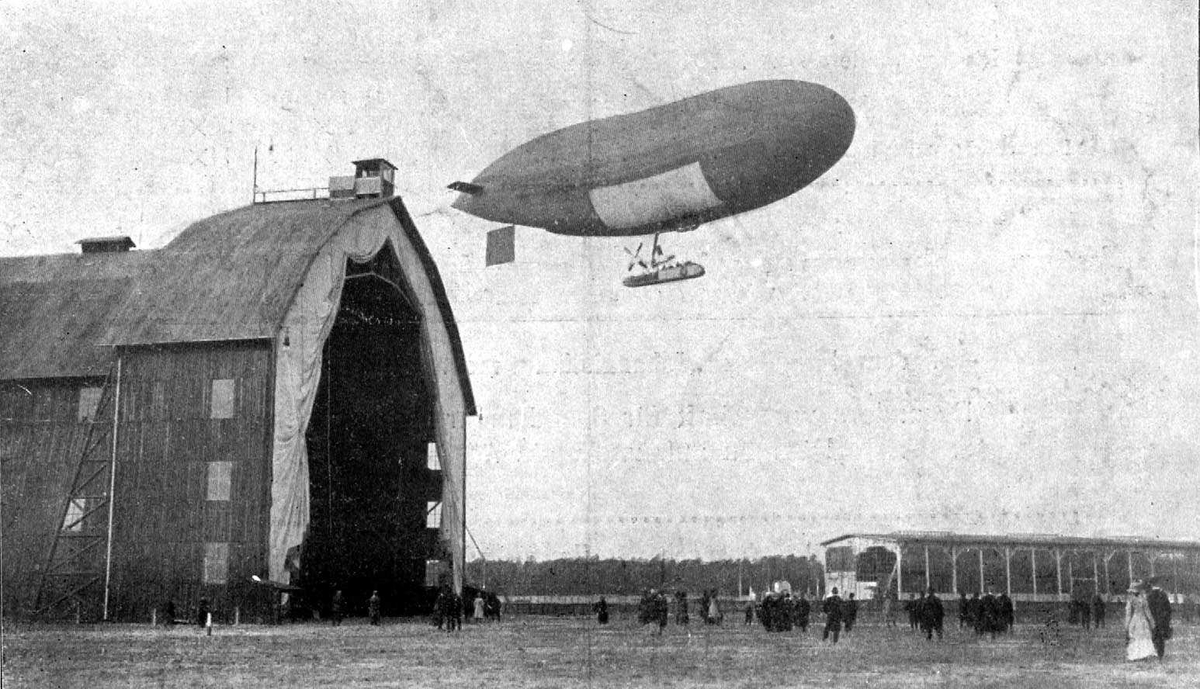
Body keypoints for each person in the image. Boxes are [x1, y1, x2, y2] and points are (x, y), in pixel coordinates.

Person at [1125, 581, 1156, 661]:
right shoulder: (1143, 599)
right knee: (1144, 635)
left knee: (1136, 636)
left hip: (1135, 619)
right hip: (1143, 619)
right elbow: (1147, 611)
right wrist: (1151, 621)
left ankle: (1136, 654)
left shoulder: (1131, 599)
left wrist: (1127, 624)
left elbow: (1128, 612)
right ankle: (1144, 653)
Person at [1145, 579, 1172, 660]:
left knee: (1154, 636)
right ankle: (1160, 653)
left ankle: (1155, 650)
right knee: (1161, 637)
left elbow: (1147, 608)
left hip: (1152, 619)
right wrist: (1167, 619)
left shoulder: (1149, 596)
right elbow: (1168, 609)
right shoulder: (1163, 595)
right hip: (1162, 619)